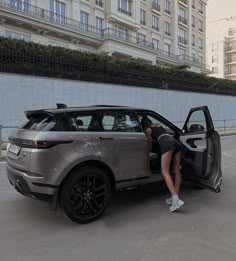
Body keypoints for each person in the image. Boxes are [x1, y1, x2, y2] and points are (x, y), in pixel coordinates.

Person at [141, 117, 184, 212]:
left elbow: (150, 145)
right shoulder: (158, 125)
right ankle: (175, 196)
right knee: (176, 170)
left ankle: (175, 199)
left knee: (165, 171)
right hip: (175, 142)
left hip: (166, 144)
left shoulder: (147, 130)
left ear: (143, 125)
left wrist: (147, 153)